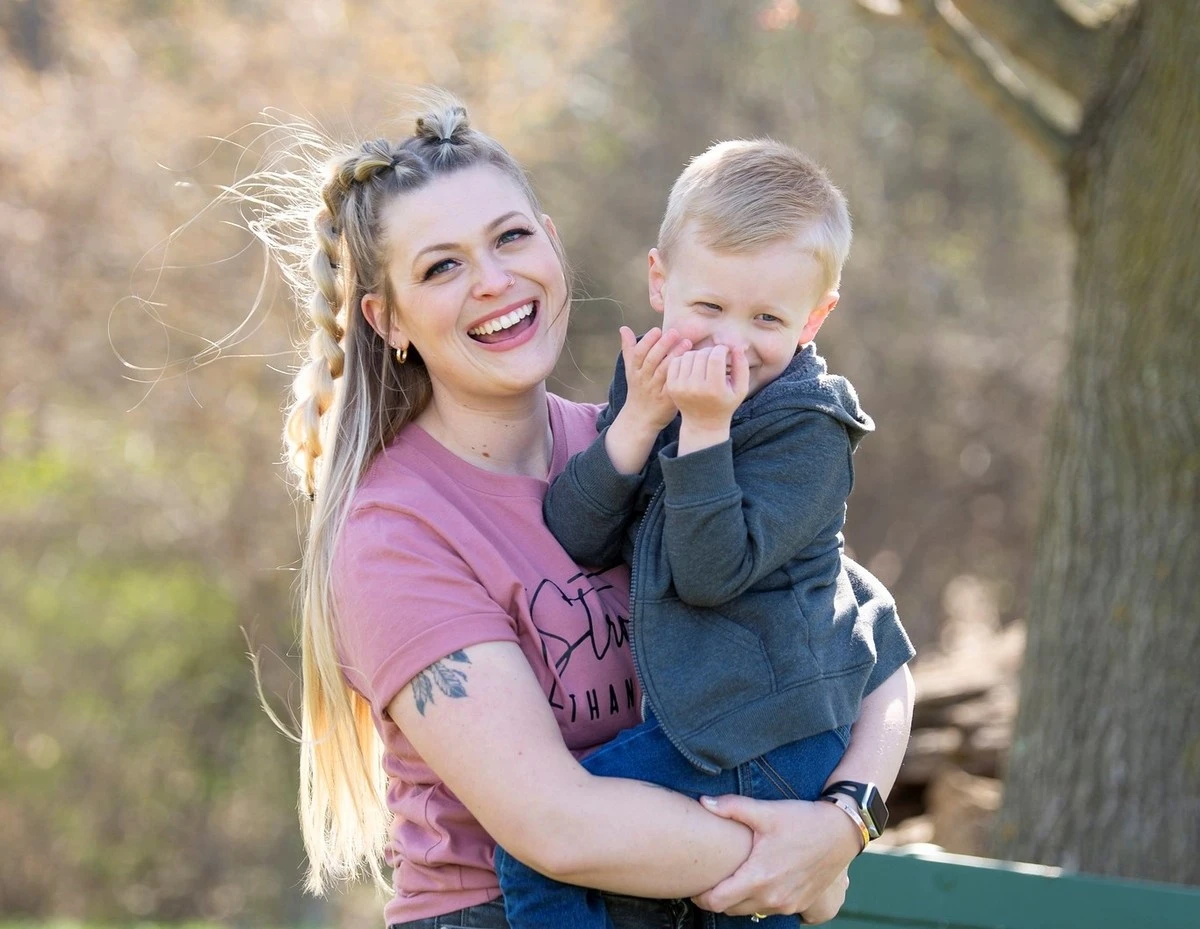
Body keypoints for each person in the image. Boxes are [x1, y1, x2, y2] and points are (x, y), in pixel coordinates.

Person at [268, 94, 915, 929]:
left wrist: (844, 821)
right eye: (442, 266)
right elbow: (554, 826)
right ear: (387, 319)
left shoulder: (638, 442)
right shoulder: (395, 533)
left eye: (509, 238)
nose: (495, 281)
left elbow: (870, 639)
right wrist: (786, 862)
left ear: (551, 243)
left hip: (689, 899)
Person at [491, 140, 915, 929]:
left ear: (816, 316)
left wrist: (704, 430)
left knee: (535, 852)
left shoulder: (809, 432)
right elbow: (576, 534)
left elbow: (709, 572)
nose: (730, 342)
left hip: (770, 739)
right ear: (660, 282)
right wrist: (641, 422)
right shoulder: (659, 379)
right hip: (708, 726)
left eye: (767, 319)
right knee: (726, 907)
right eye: (708, 307)